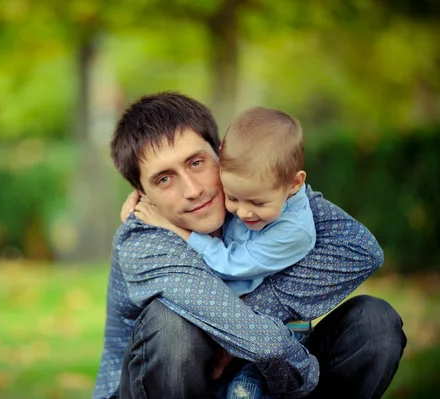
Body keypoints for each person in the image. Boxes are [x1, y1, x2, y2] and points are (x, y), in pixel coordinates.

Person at [93, 92, 406, 399]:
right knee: (171, 325)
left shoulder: (251, 197)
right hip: (179, 383)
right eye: (164, 179)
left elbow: (360, 249)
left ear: (222, 154)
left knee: (374, 321)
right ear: (141, 193)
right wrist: (299, 367)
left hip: (259, 376)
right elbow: (251, 334)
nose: (192, 190)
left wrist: (247, 317)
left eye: (197, 162)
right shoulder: (143, 238)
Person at [129, 106, 316, 399]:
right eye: (233, 198)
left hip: (282, 331)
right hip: (227, 335)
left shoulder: (293, 229)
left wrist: (178, 230)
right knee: (169, 323)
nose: (242, 213)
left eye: (196, 163)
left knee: (247, 388)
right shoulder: (254, 191)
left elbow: (231, 265)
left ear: (294, 184)